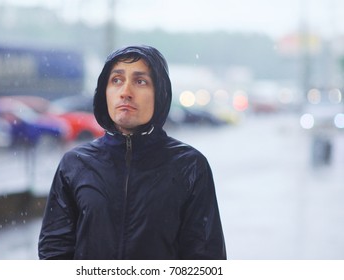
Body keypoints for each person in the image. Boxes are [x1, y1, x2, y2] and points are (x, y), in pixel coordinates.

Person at [38, 45, 226, 260]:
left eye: (140, 81)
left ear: (160, 93)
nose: (125, 92)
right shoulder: (75, 164)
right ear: (104, 92)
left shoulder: (189, 165)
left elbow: (205, 257)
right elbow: (54, 250)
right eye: (116, 80)